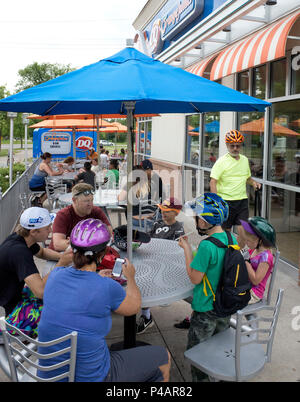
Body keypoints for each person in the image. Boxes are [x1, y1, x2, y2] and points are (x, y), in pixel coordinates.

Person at [37, 219, 171, 382]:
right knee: (163, 358)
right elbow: (134, 308)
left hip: (50, 375)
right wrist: (131, 277)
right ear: (102, 253)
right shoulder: (106, 286)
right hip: (93, 377)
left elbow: (75, 287)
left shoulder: (55, 276)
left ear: (72, 249)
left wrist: (94, 277)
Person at [178, 193, 235, 382]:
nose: (195, 220)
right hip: (224, 305)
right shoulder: (231, 238)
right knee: (218, 347)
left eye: (197, 217)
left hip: (206, 309)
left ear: (204, 221)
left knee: (198, 355)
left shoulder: (206, 246)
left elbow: (194, 278)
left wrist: (187, 249)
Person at [0, 207, 72, 337]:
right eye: (47, 228)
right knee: (62, 314)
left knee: (60, 295)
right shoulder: (19, 252)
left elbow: (43, 252)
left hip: (14, 295)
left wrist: (63, 257)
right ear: (33, 231)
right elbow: (40, 292)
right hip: (14, 308)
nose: (50, 231)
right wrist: (61, 264)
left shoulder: (22, 238)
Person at [136, 198, 185, 334]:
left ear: (176, 213)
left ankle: (146, 316)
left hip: (166, 265)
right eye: (161, 209)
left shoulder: (178, 229)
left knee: (145, 281)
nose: (163, 212)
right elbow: (149, 240)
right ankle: (145, 313)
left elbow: (176, 251)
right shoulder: (157, 223)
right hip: (151, 258)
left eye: (167, 211)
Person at [210, 130, 261, 248]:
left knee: (243, 231)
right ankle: (225, 255)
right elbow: (213, 181)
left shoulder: (244, 160)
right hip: (225, 202)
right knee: (225, 233)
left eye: (238, 145)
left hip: (242, 201)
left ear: (241, 146)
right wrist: (217, 202)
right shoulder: (221, 161)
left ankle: (236, 254)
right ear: (227, 145)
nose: (235, 148)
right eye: (232, 145)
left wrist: (253, 182)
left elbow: (247, 178)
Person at [49, 183, 113, 252]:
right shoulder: (63, 215)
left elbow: (109, 233)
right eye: (86, 201)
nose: (90, 204)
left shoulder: (96, 211)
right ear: (74, 200)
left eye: (92, 200)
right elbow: (58, 245)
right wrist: (91, 245)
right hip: (59, 255)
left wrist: (76, 243)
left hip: (84, 254)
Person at [240, 217, 276, 304]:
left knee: (226, 297)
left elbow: (256, 280)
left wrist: (246, 262)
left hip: (253, 293)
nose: (246, 243)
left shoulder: (266, 258)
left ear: (259, 240)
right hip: (244, 286)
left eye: (248, 241)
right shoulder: (253, 249)